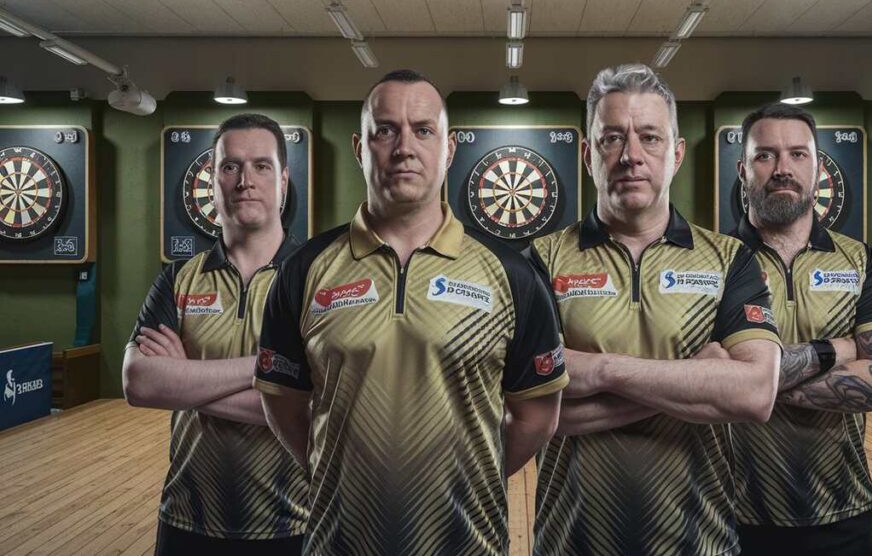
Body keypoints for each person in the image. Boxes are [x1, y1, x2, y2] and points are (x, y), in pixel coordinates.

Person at [253, 69, 567, 555]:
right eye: (385, 130)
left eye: (423, 130)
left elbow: (537, 416)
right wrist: (336, 470)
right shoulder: (304, 269)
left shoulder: (511, 273)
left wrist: (468, 476)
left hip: (467, 544)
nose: (404, 148)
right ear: (360, 148)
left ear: (449, 149)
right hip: (340, 542)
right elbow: (283, 405)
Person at [529, 63, 782, 555]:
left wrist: (599, 370)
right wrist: (697, 380)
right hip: (571, 542)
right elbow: (537, 408)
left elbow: (754, 394)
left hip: (701, 542)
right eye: (611, 139)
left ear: (676, 154)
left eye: (650, 137)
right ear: (587, 155)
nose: (631, 156)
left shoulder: (729, 259)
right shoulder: (541, 259)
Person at [729, 102, 872, 556]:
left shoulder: (862, 262)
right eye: (765, 155)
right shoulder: (712, 262)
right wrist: (837, 350)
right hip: (730, 512)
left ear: (817, 169)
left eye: (798, 154)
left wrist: (750, 386)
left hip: (842, 511)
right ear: (743, 170)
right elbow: (699, 370)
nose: (783, 168)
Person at [122, 113, 307, 555]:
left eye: (261, 166)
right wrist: (268, 368)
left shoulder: (316, 279)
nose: (245, 181)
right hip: (187, 521)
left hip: (296, 525)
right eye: (230, 166)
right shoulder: (178, 279)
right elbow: (140, 382)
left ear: (283, 180)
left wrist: (183, 380)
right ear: (213, 179)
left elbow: (315, 406)